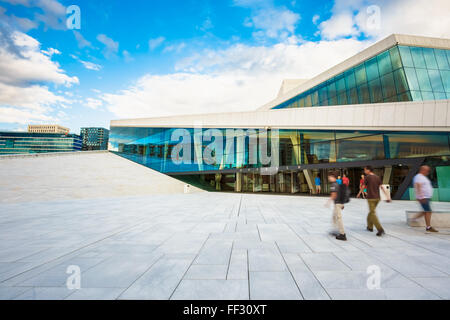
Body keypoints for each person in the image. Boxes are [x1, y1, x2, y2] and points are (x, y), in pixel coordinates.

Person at [364, 166, 391, 236]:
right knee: (371, 212)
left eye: (365, 170)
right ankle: (370, 227)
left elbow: (363, 186)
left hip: (371, 198)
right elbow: (382, 187)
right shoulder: (377, 177)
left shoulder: (367, 177)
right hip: (377, 198)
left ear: (368, 170)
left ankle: (380, 229)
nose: (364, 171)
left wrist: (359, 193)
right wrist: (387, 196)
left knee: (372, 214)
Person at [413, 166, 438, 232]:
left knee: (426, 211)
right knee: (428, 211)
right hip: (424, 197)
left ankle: (414, 219)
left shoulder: (423, 177)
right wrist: (421, 197)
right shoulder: (418, 177)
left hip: (426, 197)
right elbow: (418, 186)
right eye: (427, 170)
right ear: (422, 170)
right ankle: (428, 227)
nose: (428, 172)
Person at [326, 172, 347, 241]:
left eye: (329, 177)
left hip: (337, 203)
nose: (329, 178)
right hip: (339, 203)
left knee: (338, 218)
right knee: (334, 217)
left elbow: (334, 194)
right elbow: (340, 194)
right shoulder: (338, 183)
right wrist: (342, 204)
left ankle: (342, 234)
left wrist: (328, 202)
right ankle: (336, 231)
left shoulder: (333, 184)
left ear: (333, 177)